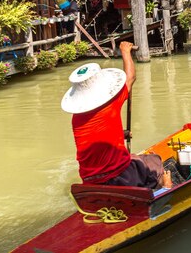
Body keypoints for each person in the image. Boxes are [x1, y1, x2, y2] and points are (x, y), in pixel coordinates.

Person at [61, 41, 171, 190]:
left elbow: (96, 136)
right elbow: (130, 78)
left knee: (135, 159)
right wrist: (125, 51)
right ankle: (164, 186)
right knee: (154, 161)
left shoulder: (77, 117)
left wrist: (121, 134)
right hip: (117, 176)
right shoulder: (109, 104)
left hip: (89, 179)